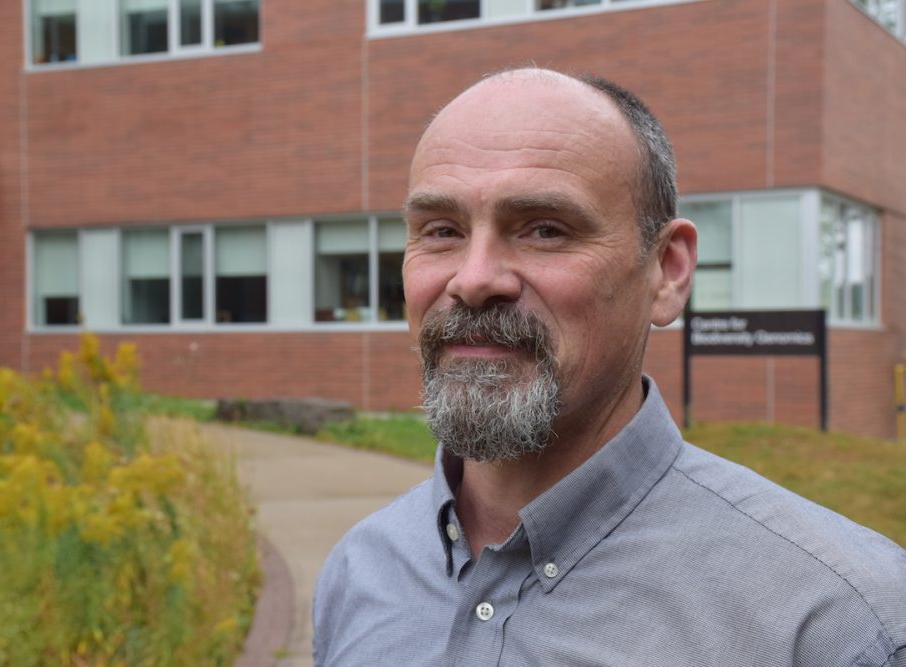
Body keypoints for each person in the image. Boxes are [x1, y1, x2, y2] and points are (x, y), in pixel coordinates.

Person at [312, 68, 906, 666]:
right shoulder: (360, 571)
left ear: (667, 272)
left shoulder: (839, 626)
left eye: (546, 229)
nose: (472, 280)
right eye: (441, 230)